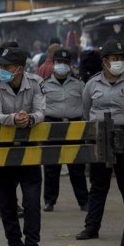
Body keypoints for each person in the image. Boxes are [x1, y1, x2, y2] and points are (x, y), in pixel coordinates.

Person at [76, 39, 124, 241]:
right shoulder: (92, 84)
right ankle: (91, 227)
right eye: (113, 59)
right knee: (99, 184)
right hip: (101, 138)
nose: (118, 62)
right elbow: (85, 111)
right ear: (104, 62)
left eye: (120, 58)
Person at [0, 47, 45, 246]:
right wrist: (14, 118)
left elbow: (41, 111)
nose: (1, 69)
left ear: (19, 69)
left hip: (29, 148)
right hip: (1, 149)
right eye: (0, 65)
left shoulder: (36, 83)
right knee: (7, 202)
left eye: (7, 66)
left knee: (31, 201)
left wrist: (29, 118)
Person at [40, 49, 89, 212]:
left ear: (70, 65)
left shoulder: (79, 84)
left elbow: (86, 105)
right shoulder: (44, 84)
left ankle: (83, 201)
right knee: (51, 167)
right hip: (52, 126)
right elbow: (39, 106)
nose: (62, 66)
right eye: (59, 62)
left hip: (74, 126)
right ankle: (49, 201)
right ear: (53, 64)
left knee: (77, 166)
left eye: (65, 63)